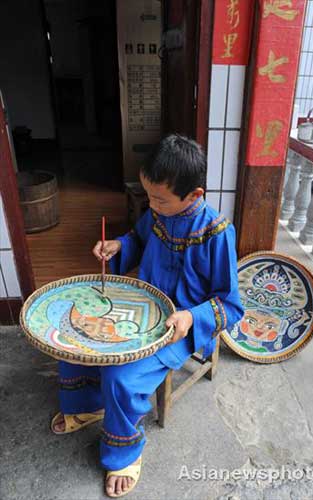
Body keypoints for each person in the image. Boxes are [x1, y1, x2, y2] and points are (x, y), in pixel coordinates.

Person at [51, 134, 244, 497]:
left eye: (160, 199)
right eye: (149, 195)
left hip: (178, 327)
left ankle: (124, 453)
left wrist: (191, 318)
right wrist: (119, 246)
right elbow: (138, 240)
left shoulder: (217, 233)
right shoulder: (158, 213)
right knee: (74, 336)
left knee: (121, 376)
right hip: (141, 306)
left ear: (195, 195)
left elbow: (231, 306)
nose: (151, 205)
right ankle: (88, 406)